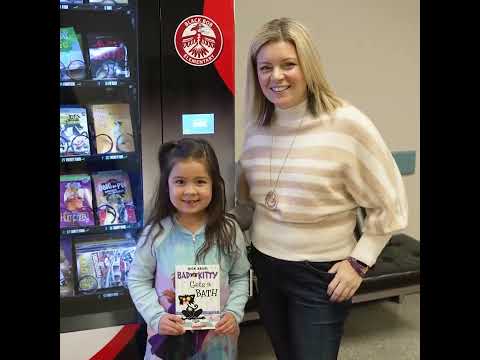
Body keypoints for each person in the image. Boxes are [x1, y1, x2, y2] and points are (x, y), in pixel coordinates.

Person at [237, 18, 408, 360]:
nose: (276, 76)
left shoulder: (347, 123)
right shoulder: (257, 126)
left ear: (308, 67)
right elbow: (248, 205)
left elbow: (389, 203)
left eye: (289, 64)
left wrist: (360, 263)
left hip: (322, 273)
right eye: (265, 67)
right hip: (267, 266)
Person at [128, 138, 250, 360]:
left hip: (217, 345)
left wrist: (234, 312)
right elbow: (137, 280)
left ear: (214, 184)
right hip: (168, 342)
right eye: (180, 181)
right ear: (168, 185)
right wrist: (156, 317)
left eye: (200, 182)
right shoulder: (156, 233)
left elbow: (240, 276)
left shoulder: (229, 230)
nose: (190, 191)